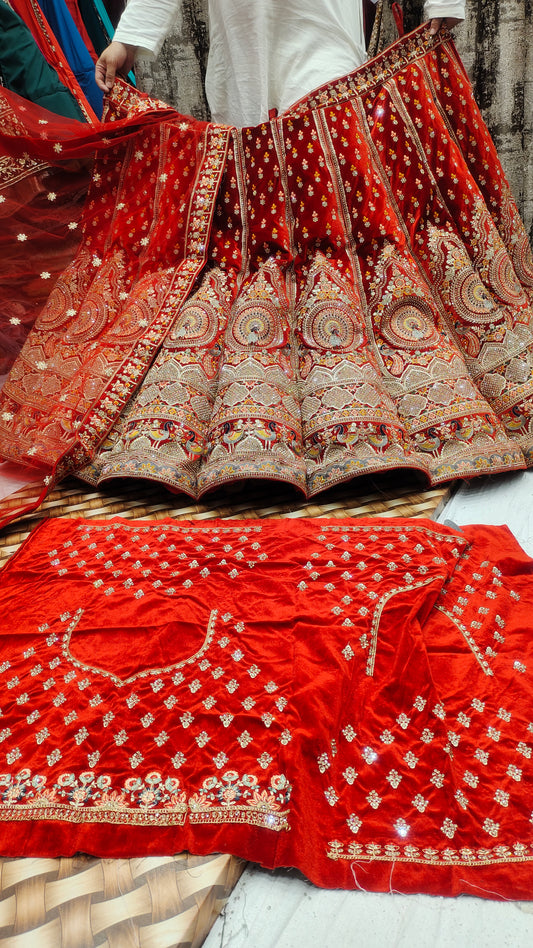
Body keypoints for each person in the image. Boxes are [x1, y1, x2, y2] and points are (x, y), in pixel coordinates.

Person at [95, 1, 465, 125]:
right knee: (253, 141)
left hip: (322, 27)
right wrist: (128, 40)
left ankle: (337, 285)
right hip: (244, 39)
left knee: (331, 131)